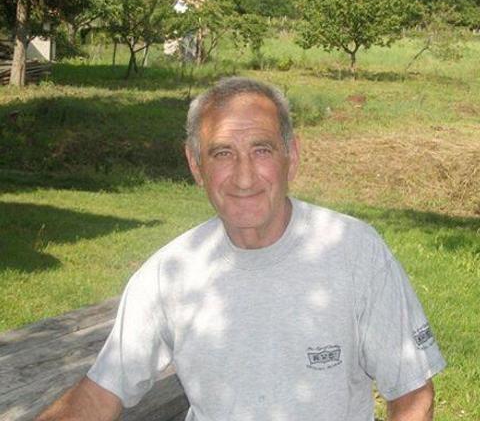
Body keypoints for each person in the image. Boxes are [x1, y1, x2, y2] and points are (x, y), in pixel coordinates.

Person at [37, 77, 446, 421]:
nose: (244, 177)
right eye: (222, 153)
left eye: (261, 150)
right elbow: (101, 392)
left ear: (292, 156)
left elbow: (412, 394)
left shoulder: (355, 253)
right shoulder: (169, 273)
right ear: (196, 165)